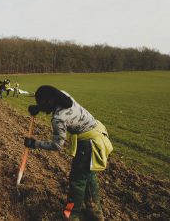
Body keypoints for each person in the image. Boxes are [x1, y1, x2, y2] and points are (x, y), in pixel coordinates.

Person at [24, 85, 112, 221]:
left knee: (77, 181)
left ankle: (71, 214)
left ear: (49, 101)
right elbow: (53, 105)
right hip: (97, 134)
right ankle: (95, 211)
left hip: (89, 144)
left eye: (40, 103)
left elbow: (57, 145)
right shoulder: (64, 96)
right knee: (88, 175)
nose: (39, 105)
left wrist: (35, 143)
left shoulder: (58, 119)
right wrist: (39, 109)